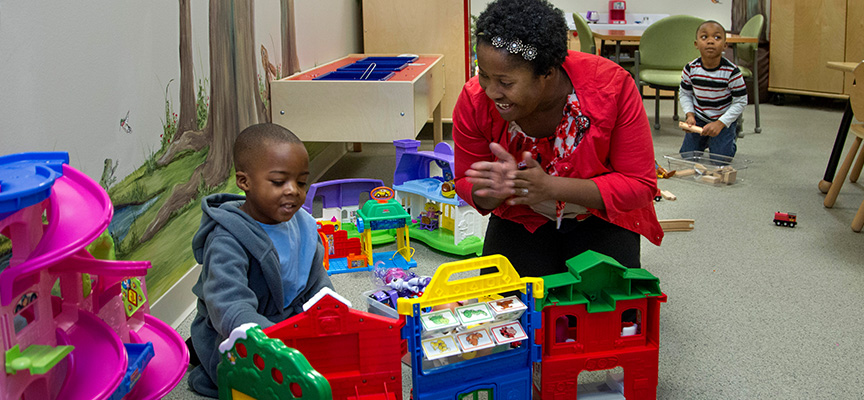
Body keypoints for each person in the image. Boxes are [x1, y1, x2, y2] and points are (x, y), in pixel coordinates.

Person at [453, 0, 663, 280]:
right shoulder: (474, 100)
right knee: (508, 310)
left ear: (548, 73)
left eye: (505, 82)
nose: (491, 91)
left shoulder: (612, 88)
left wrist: (551, 187)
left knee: (606, 309)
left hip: (598, 215)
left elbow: (639, 185)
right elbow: (464, 180)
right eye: (485, 76)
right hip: (522, 216)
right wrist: (493, 191)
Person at [187, 123, 333, 397]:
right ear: (244, 182)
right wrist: (273, 343)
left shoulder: (303, 225)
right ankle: (197, 350)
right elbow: (228, 303)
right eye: (279, 182)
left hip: (289, 323)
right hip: (246, 331)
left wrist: (327, 308)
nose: (293, 191)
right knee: (257, 384)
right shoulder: (227, 240)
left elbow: (316, 280)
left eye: (301, 182)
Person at [679, 20, 748, 158]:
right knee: (687, 155)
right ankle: (705, 140)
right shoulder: (690, 68)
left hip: (722, 118)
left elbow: (741, 101)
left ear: (725, 46)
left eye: (717, 38)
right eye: (704, 37)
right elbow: (685, 93)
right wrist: (690, 115)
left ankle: (730, 134)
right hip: (699, 116)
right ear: (696, 44)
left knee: (720, 160)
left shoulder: (732, 72)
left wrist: (721, 123)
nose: (710, 41)